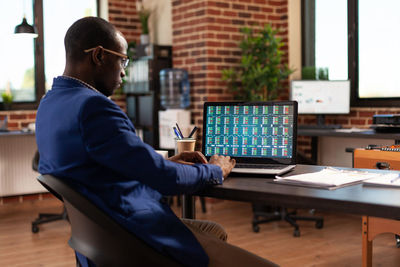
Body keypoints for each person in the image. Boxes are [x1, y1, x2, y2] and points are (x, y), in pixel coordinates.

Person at [35, 17, 277, 267]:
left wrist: (165, 162)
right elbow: (166, 179)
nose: (124, 71)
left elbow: (99, 169)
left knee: (213, 230)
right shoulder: (94, 107)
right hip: (135, 238)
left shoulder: (50, 104)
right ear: (98, 56)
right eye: (122, 60)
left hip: (97, 242)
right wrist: (215, 169)